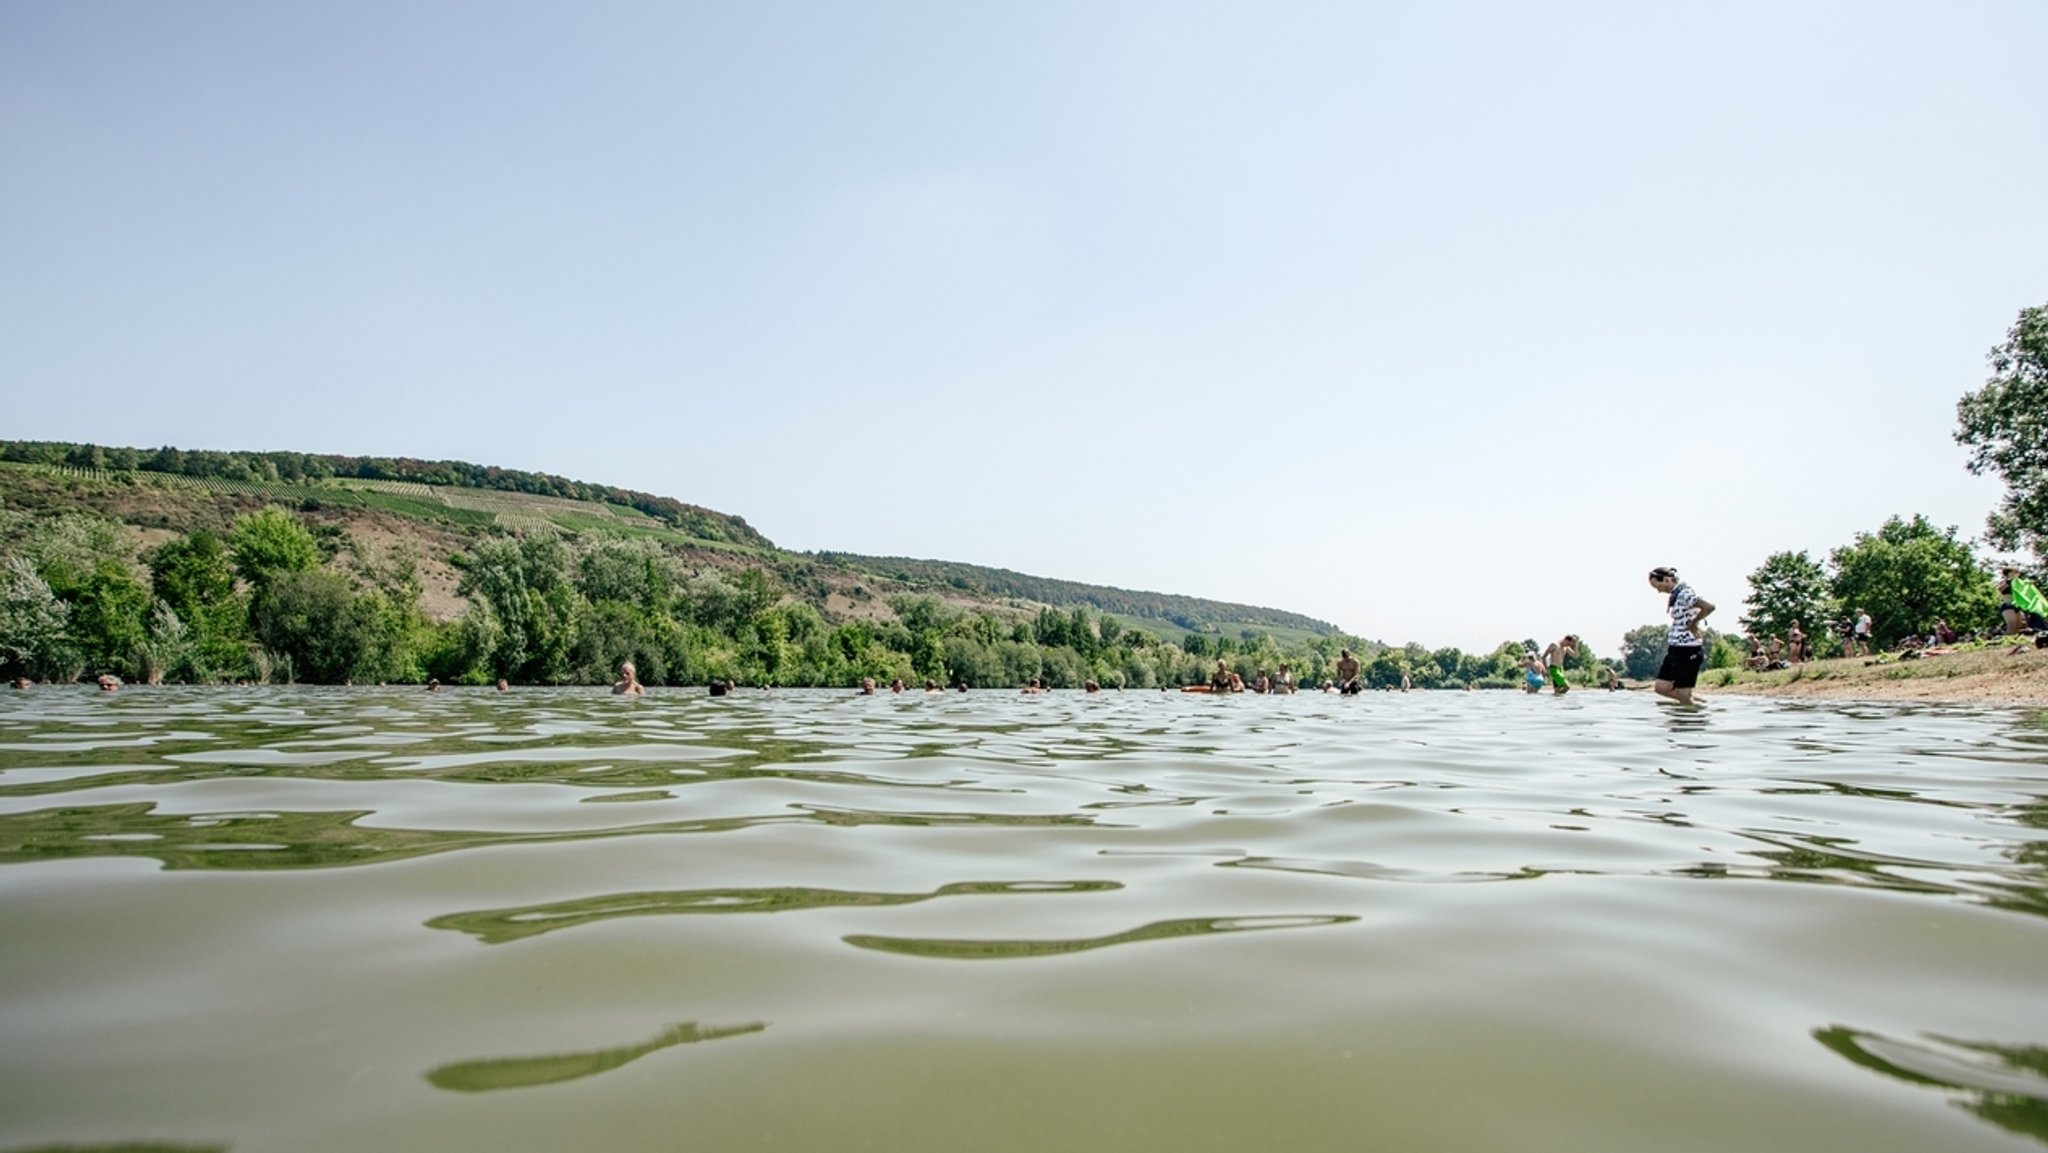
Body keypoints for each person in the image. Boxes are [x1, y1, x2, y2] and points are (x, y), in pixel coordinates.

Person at [1648, 566, 1713, 705]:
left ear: (1666, 579)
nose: (1659, 591)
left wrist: (1694, 623)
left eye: (1658, 586)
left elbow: (1709, 607)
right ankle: (1700, 704)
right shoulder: (1675, 594)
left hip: (1688, 649)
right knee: (1661, 687)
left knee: (1683, 695)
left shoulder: (1684, 593)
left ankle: (1691, 719)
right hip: (1676, 648)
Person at [1998, 565, 2048, 652]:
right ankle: (2006, 642)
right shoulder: (2005, 582)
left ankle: (2013, 643)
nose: (2016, 574)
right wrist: (2009, 581)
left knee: (2018, 626)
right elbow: (2000, 589)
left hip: (2017, 606)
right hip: (2008, 605)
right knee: (2011, 625)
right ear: (2008, 573)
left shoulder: (2019, 583)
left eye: (2017, 572)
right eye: (2014, 572)